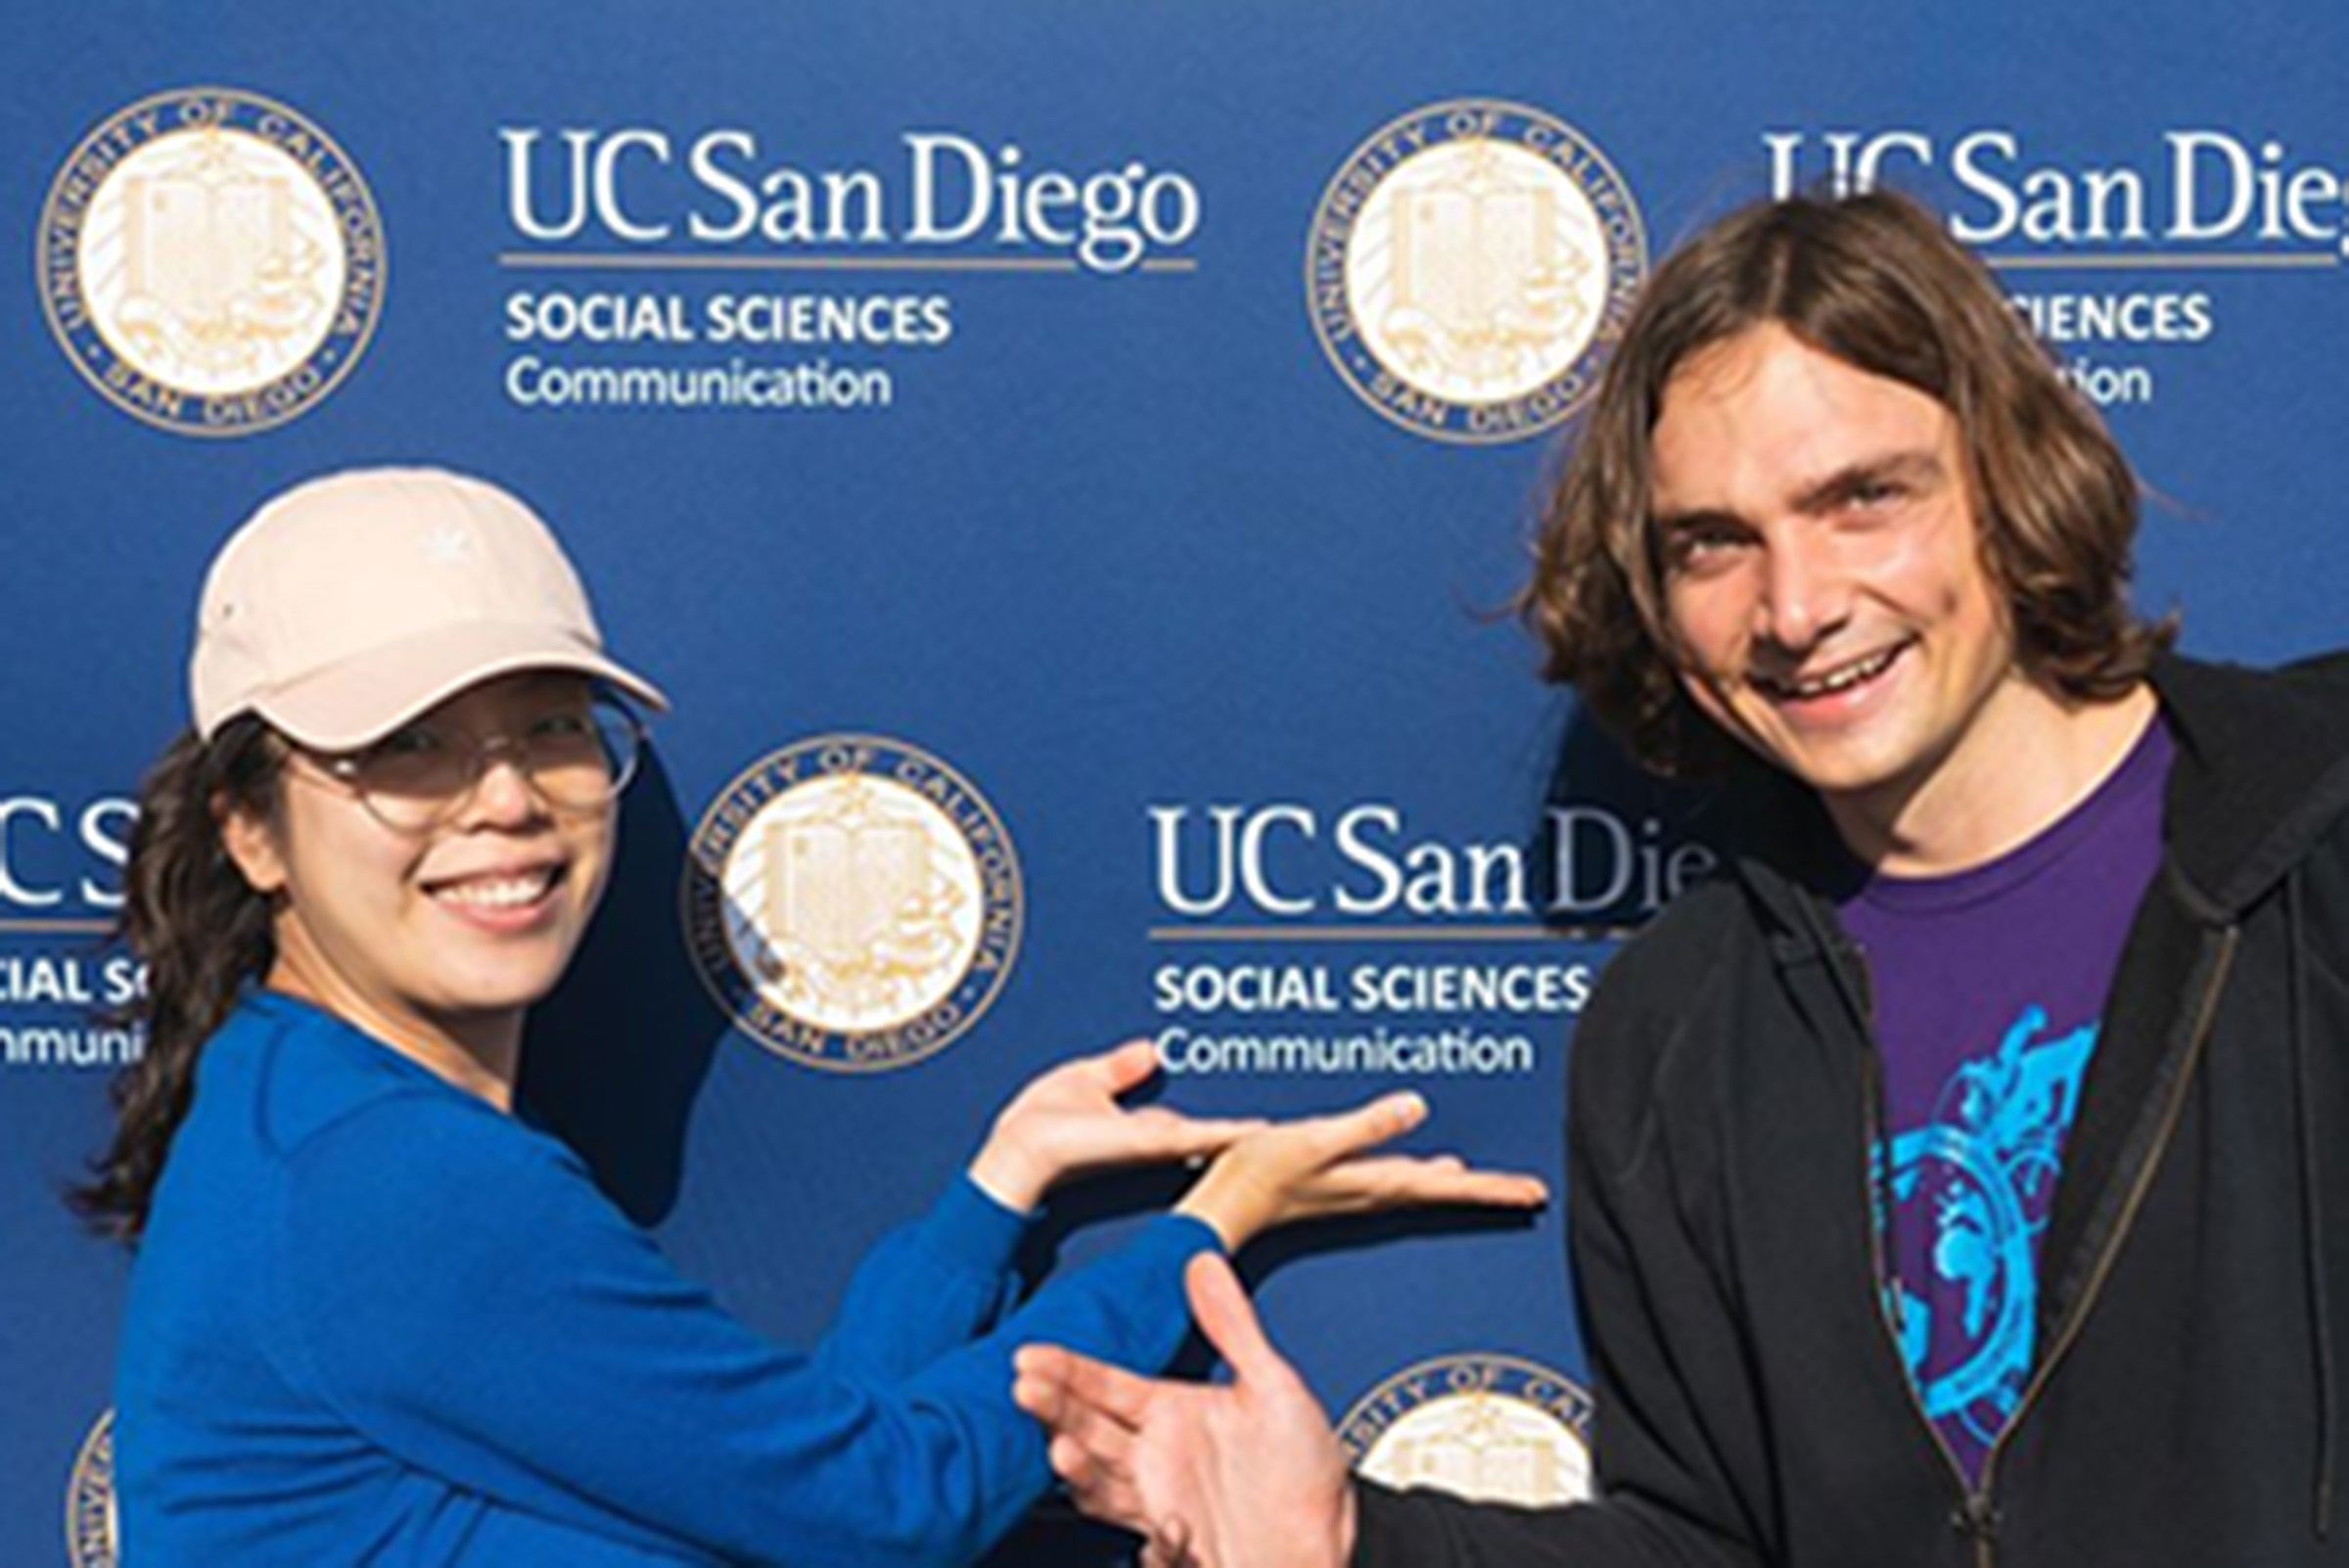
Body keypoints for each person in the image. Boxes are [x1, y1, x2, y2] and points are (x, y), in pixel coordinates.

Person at [1014, 186, 2349, 1567]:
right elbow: (1704, 1544)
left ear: (2012, 479)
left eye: (1862, 498)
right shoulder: (1676, 1026)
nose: (1795, 606)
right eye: (1712, 540)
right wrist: (1358, 1541)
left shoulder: (2318, 829)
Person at [75, 466, 1549, 1566]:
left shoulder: (311, 1107)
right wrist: (1200, 1231)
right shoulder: (387, 1177)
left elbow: (782, 1478)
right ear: (252, 827)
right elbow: (877, 1510)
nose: (507, 797)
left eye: (545, 724)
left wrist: (994, 1196)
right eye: (405, 746)